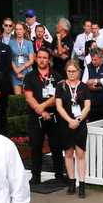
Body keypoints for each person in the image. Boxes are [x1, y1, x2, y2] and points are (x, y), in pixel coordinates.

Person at [22, 48, 68, 189]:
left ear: (49, 60)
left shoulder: (57, 76)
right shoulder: (29, 76)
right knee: (36, 146)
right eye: (39, 57)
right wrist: (40, 111)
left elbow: (59, 96)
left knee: (56, 146)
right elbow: (28, 97)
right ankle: (36, 176)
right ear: (36, 59)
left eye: (45, 57)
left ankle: (59, 176)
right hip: (36, 117)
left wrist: (43, 106)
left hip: (54, 116)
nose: (42, 60)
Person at [54, 58, 92, 198]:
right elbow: (58, 106)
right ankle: (71, 181)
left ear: (78, 72)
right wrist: (69, 120)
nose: (71, 74)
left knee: (80, 153)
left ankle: (82, 184)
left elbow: (87, 106)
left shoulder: (84, 87)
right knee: (68, 153)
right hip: (65, 123)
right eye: (69, 71)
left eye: (74, 72)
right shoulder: (61, 86)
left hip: (80, 124)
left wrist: (78, 119)